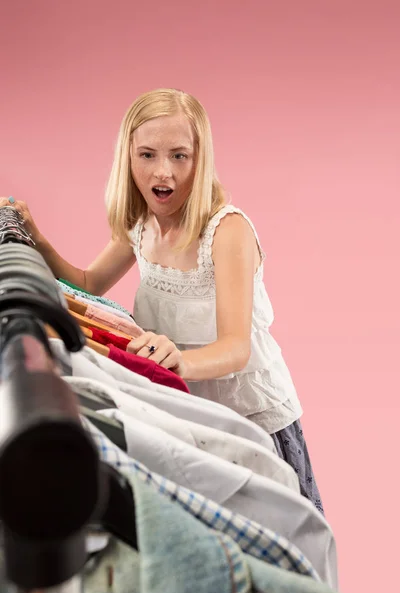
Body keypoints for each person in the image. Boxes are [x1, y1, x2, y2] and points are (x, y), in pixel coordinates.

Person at [0, 88, 324, 513]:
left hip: (248, 415)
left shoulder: (226, 232)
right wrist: (35, 240)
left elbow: (235, 347)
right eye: (148, 155)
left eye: (179, 156)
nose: (163, 172)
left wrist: (180, 361)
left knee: (277, 525)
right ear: (128, 158)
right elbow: (88, 282)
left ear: (200, 158)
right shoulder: (140, 224)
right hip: (179, 407)